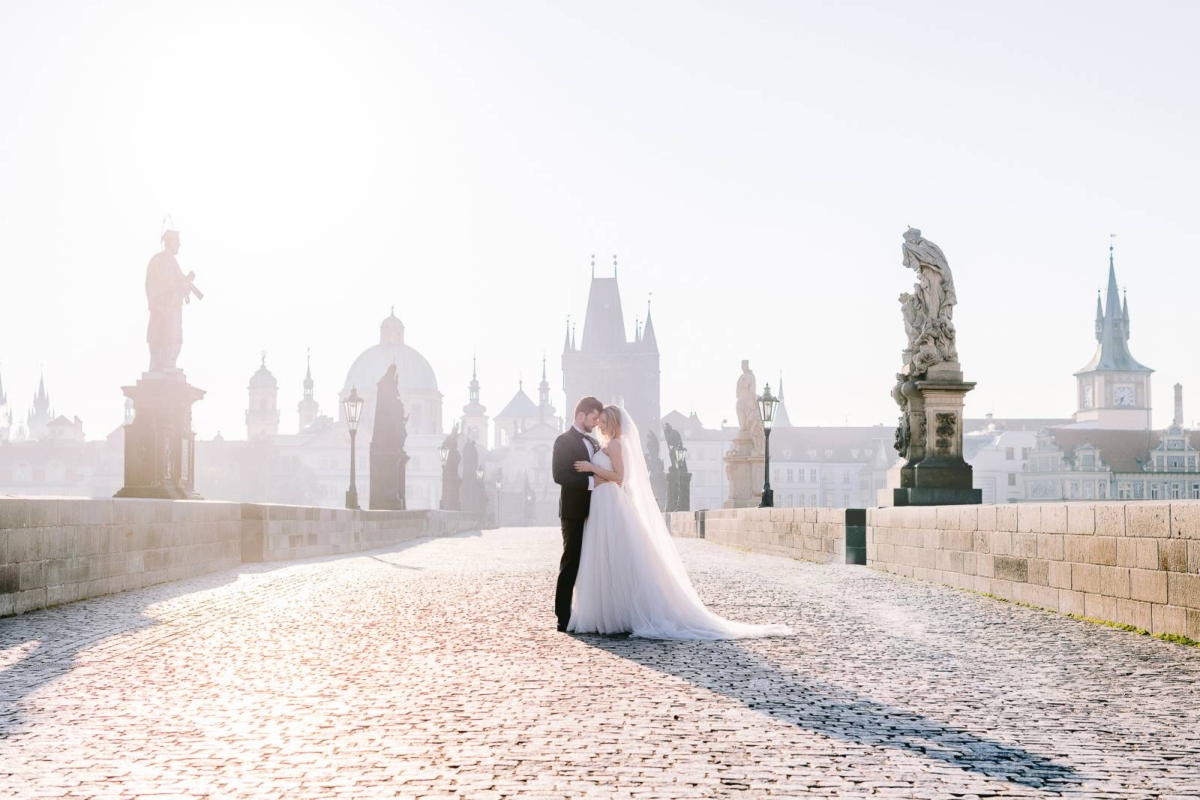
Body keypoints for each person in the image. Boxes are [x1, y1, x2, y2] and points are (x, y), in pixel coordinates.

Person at [567, 404, 792, 640]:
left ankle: (613, 613)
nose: (599, 426)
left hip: (611, 503)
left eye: (603, 422)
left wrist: (592, 468)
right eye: (599, 421)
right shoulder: (607, 444)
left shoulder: (615, 444)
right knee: (607, 557)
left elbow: (620, 478)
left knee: (613, 557)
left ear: (613, 422)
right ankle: (610, 611)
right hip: (603, 504)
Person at [551, 396, 604, 632]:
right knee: (571, 562)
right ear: (581, 415)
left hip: (596, 509)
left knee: (592, 560)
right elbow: (559, 475)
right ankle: (563, 616)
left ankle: (590, 612)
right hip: (573, 511)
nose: (595, 423)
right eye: (593, 418)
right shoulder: (563, 440)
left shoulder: (592, 443)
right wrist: (592, 482)